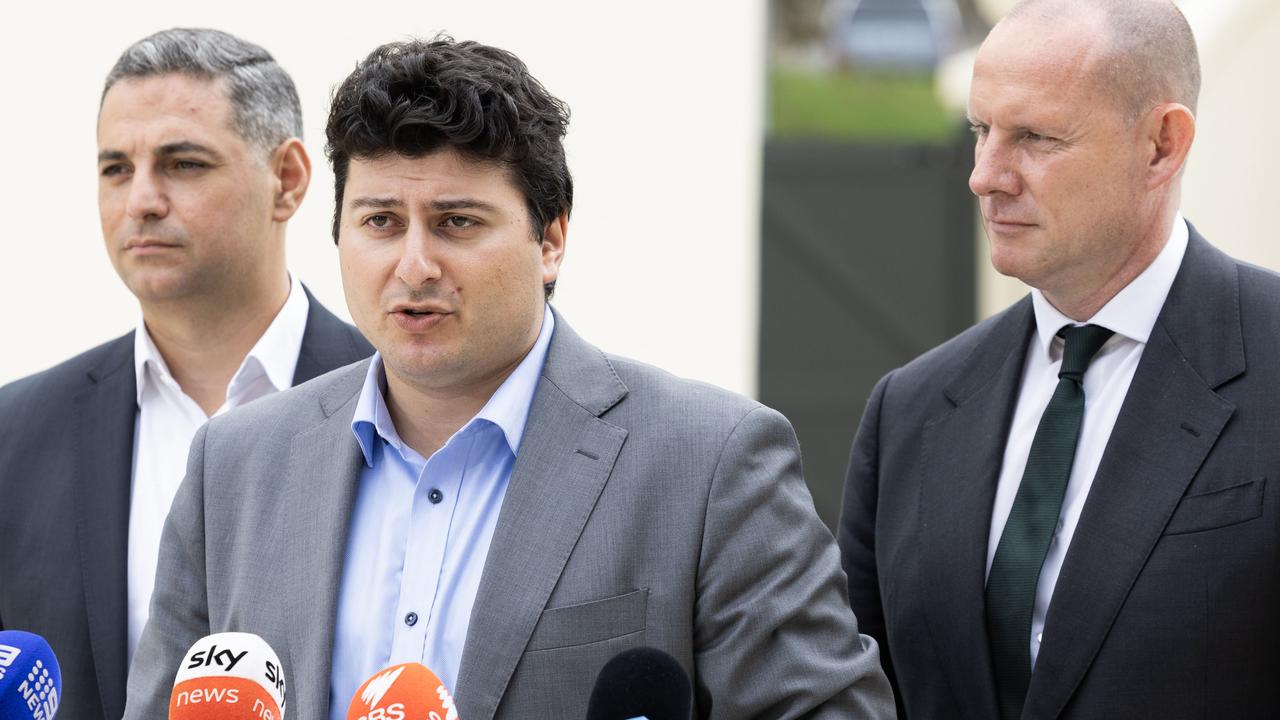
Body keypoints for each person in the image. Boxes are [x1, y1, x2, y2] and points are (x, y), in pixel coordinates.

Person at [122, 36, 894, 719]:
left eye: (458, 222)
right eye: (380, 222)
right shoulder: (236, 465)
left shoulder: (710, 462)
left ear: (551, 238)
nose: (413, 265)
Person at [839, 0, 1280, 718]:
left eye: (1035, 138)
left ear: (1162, 146)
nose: (985, 175)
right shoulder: (910, 409)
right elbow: (856, 688)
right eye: (982, 131)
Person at [0, 28, 371, 720]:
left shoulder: (403, 406)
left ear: (287, 180)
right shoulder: (15, 435)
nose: (141, 199)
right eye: (116, 169)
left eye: (183, 164)